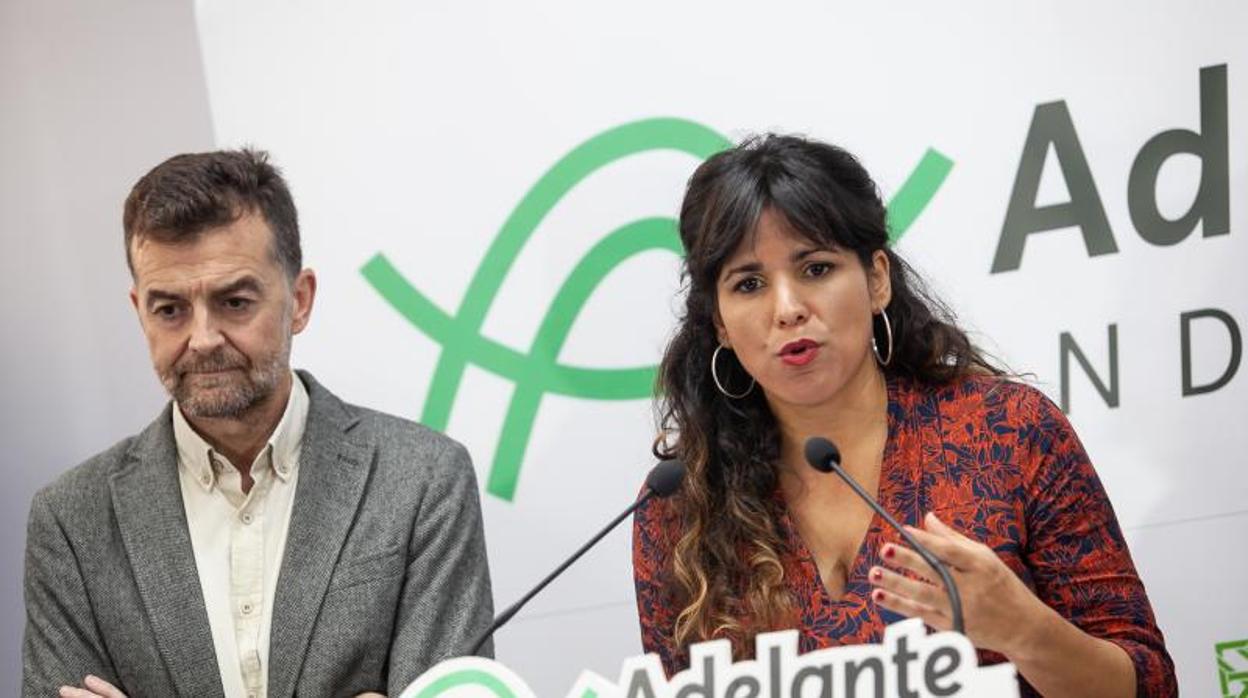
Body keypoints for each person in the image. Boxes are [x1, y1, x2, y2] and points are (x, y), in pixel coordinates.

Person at [632, 134, 1176, 696]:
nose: (788, 309)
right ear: (720, 323)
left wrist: (1025, 631)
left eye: (816, 268)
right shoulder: (679, 508)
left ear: (876, 279)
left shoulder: (1009, 431)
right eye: (749, 284)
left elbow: (1151, 687)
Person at [23, 149, 493, 697]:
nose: (202, 339)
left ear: (300, 300)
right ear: (139, 311)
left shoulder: (422, 480)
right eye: (170, 310)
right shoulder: (72, 521)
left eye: (234, 302)